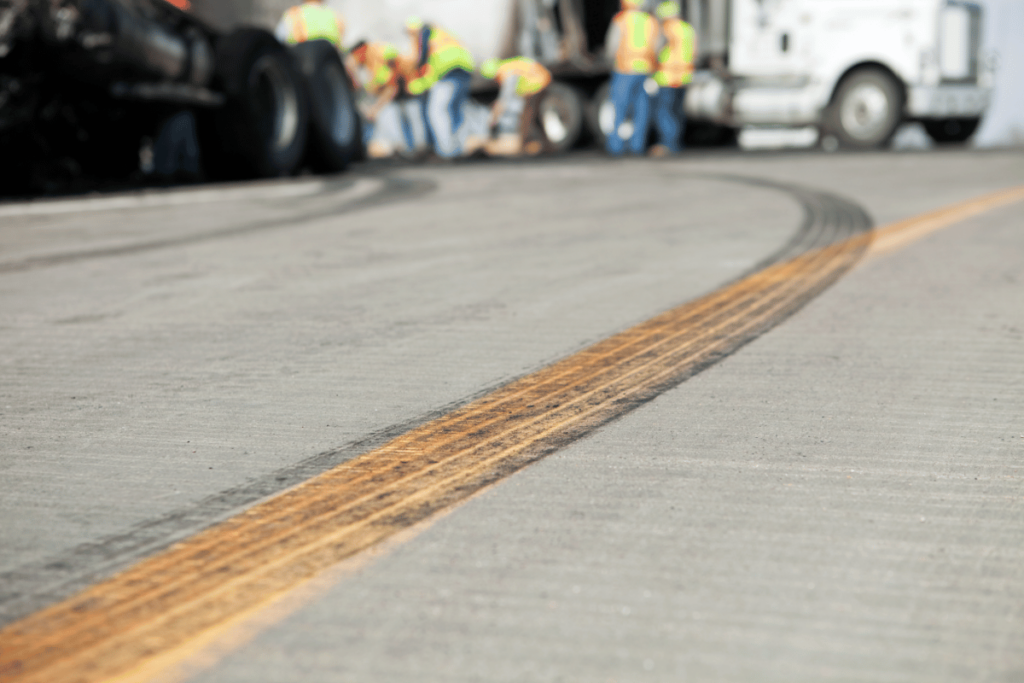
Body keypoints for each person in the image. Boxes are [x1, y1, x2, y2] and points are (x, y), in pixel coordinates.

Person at [404, 17, 476, 159]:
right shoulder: (442, 33)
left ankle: (446, 151)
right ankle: (457, 149)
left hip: (446, 72)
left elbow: (428, 66)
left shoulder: (425, 34)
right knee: (455, 110)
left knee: (437, 111)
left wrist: (415, 86)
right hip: (465, 69)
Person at [603, 0, 658, 156]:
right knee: (641, 110)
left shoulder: (622, 19)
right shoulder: (651, 21)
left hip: (624, 70)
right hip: (645, 70)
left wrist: (610, 60)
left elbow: (612, 44)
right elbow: (657, 46)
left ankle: (615, 146)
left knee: (619, 108)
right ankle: (637, 146)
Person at [479, 56, 552, 156]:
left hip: (538, 84)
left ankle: (523, 145)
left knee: (526, 116)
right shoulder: (508, 66)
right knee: (536, 115)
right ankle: (547, 145)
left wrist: (493, 119)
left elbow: (505, 99)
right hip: (543, 80)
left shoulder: (507, 73)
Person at [650, 1, 696, 156]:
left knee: (664, 113)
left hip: (667, 78)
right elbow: (695, 53)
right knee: (677, 113)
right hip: (683, 77)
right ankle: (676, 144)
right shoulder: (687, 29)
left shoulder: (666, 30)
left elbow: (656, 51)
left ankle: (667, 144)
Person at [274, 0, 345, 47]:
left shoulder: (292, 14)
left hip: (300, 66)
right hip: (329, 65)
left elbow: (277, 44)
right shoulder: (336, 16)